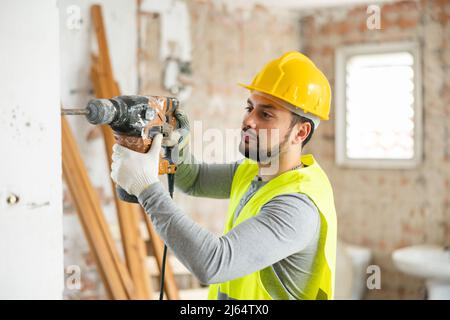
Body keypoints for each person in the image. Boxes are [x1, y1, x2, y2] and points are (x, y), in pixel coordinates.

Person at [111, 51, 337, 300]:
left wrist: (146, 188)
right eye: (249, 107)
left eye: (266, 114)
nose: (248, 120)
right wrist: (175, 144)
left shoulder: (297, 207)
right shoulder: (256, 170)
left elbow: (214, 263)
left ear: (300, 132)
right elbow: (194, 180)